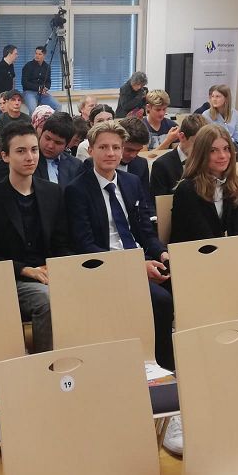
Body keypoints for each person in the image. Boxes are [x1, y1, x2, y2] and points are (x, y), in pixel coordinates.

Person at [63, 120, 174, 374]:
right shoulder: (77, 190)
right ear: (91, 150)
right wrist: (134, 267)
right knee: (160, 300)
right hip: (104, 266)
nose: (110, 153)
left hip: (139, 259)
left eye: (116, 147)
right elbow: (85, 246)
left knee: (183, 286)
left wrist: (162, 253)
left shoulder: (131, 182)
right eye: (103, 147)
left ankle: (173, 359)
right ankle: (161, 365)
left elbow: (145, 231)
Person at [0, 120, 71, 352]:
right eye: (21, 151)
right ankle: (46, 364)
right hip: (13, 278)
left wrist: (58, 267)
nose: (30, 157)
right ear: (5, 156)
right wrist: (24, 269)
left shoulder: (53, 192)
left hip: (50, 272)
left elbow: (62, 242)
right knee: (46, 300)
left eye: (33, 150)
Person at [170, 124, 238, 243]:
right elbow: (202, 237)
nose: (222, 156)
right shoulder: (188, 189)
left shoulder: (235, 185)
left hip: (227, 250)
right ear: (201, 154)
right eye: (213, 151)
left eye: (226, 149)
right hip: (195, 251)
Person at [150, 113, 206, 196]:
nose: (201, 149)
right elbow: (160, 201)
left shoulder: (209, 161)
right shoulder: (162, 165)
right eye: (196, 143)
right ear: (182, 137)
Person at [33, 112, 82, 187]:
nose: (50, 146)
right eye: (47, 138)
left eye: (58, 143)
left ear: (66, 145)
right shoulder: (29, 160)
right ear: (41, 134)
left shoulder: (76, 166)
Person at [21, 46, 57, 112]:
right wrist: (39, 88)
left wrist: (46, 88)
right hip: (29, 92)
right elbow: (24, 83)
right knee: (33, 109)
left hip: (42, 94)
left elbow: (48, 82)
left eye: (40, 54)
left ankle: (53, 119)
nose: (37, 56)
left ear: (44, 55)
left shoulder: (47, 67)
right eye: (36, 53)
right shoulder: (28, 66)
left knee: (57, 106)